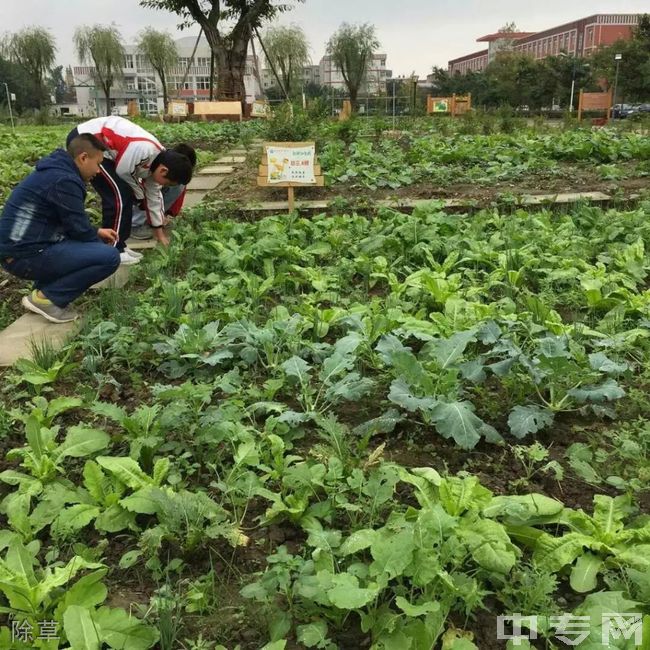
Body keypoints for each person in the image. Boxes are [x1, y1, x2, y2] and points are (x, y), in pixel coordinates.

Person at [0, 134, 120, 324]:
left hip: (19, 250)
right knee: (109, 257)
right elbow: (79, 230)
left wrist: (96, 232)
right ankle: (48, 298)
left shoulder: (56, 172)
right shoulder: (65, 180)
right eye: (98, 164)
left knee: (90, 248)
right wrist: (97, 246)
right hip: (24, 256)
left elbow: (68, 221)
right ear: (83, 158)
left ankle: (43, 292)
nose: (98, 171)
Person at [66, 116, 193, 264]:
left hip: (107, 153)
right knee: (118, 196)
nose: (165, 186)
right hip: (86, 141)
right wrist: (138, 194)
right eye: (168, 183)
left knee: (124, 194)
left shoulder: (157, 165)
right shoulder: (145, 149)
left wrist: (159, 234)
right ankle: (112, 249)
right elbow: (123, 171)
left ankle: (120, 244)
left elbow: (154, 199)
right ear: (164, 171)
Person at [131, 143, 197, 240]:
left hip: (145, 195)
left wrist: (168, 214)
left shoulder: (167, 169)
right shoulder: (150, 162)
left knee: (176, 187)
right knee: (147, 194)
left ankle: (152, 220)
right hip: (132, 197)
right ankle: (134, 225)